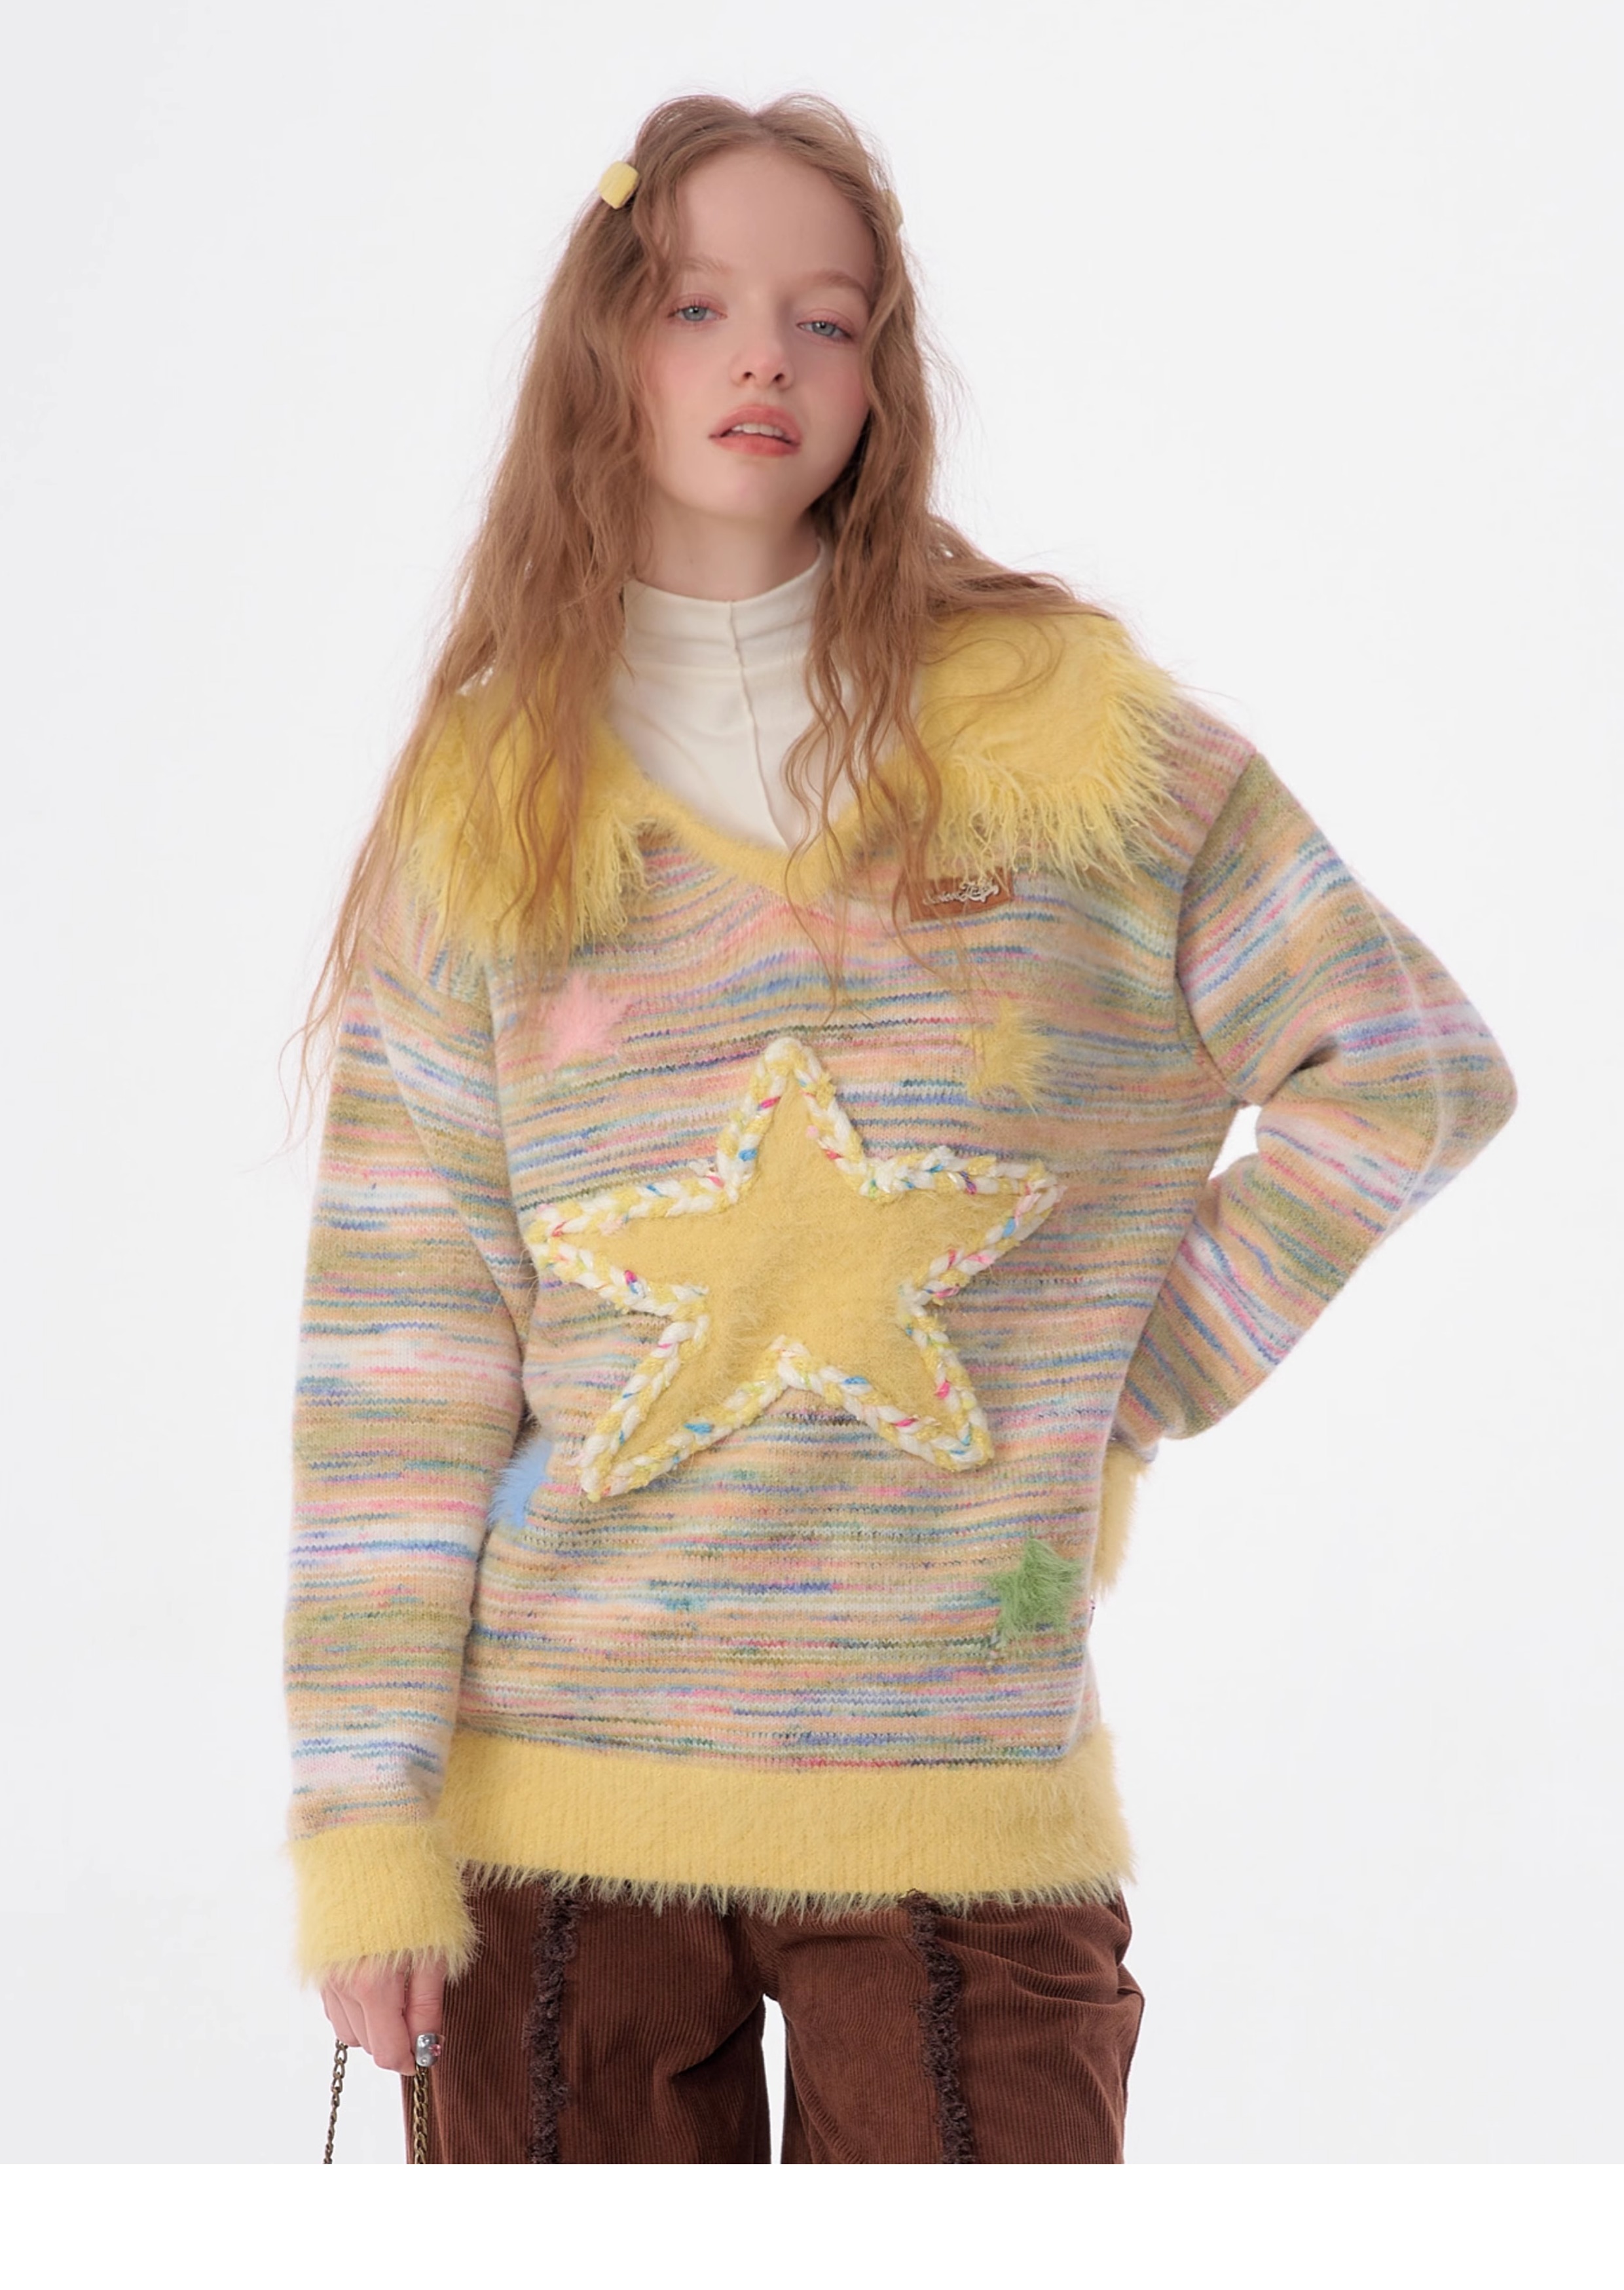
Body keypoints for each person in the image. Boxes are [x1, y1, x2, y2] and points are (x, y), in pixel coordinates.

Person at [285, 91, 1517, 2166]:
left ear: (882, 374)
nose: (763, 358)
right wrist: (363, 1819)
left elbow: (1405, 1070)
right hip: (556, 1825)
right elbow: (400, 1353)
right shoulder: (492, 808)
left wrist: (1125, 1380)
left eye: (826, 318)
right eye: (699, 305)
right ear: (608, 345)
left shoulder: (1072, 742)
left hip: (961, 1804)